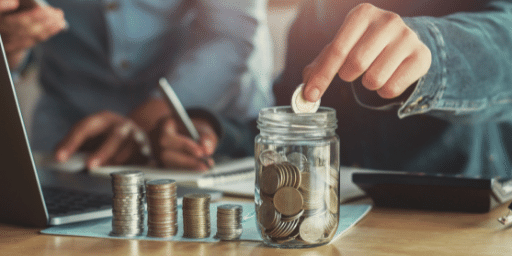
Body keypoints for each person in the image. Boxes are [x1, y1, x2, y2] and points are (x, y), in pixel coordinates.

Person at [1, 0, 274, 170]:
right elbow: (20, 53)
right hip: (72, 135)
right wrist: (10, 45)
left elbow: (229, 36)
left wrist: (145, 122)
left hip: (201, 127)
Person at [274, 0, 512, 178]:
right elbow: (285, 117)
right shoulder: (314, 12)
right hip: (346, 214)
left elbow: (504, 39)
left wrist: (429, 49)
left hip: (462, 211)